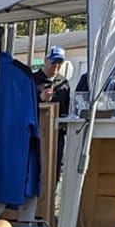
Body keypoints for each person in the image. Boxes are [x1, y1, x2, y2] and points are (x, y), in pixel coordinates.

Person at [33, 45, 70, 180]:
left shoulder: (63, 83)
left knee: (53, 172)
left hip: (56, 134)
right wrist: (40, 99)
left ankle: (51, 197)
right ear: (45, 60)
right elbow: (23, 106)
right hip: (36, 134)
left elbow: (66, 109)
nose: (56, 65)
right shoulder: (32, 80)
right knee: (36, 170)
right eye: (53, 61)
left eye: (60, 62)